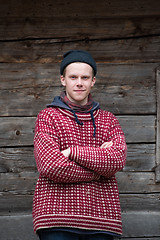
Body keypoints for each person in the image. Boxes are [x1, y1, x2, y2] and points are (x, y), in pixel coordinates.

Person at [33, 50, 127, 240]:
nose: (79, 83)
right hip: (55, 216)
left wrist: (72, 152)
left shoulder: (108, 120)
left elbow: (117, 160)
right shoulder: (48, 117)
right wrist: (99, 170)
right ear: (63, 80)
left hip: (101, 217)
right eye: (73, 77)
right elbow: (51, 166)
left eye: (85, 77)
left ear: (93, 81)